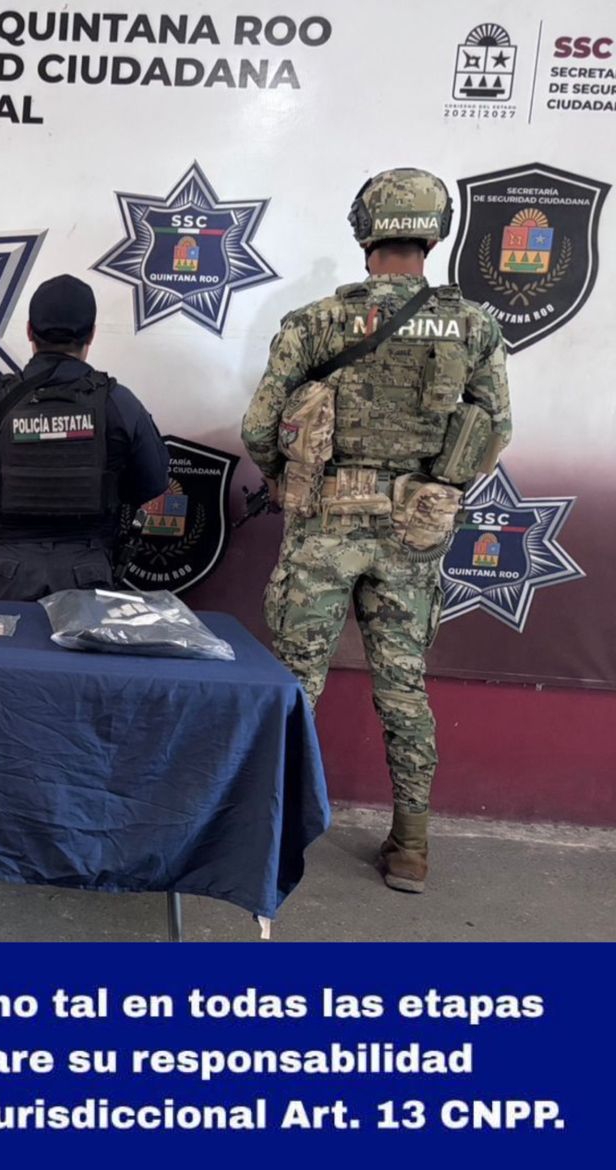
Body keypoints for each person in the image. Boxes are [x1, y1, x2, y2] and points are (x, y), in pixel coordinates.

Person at [240, 168, 511, 893]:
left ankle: (269, 834)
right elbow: (495, 430)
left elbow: (259, 426)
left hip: (325, 526)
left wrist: (283, 479)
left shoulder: (317, 321)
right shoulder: (474, 326)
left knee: (295, 686)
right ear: (435, 233)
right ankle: (412, 846)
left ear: (365, 231)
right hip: (413, 536)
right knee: (404, 688)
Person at [0, 274, 168, 599]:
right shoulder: (117, 403)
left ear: (29, 331)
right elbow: (152, 482)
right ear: (91, 334)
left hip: (6, 569)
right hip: (86, 567)